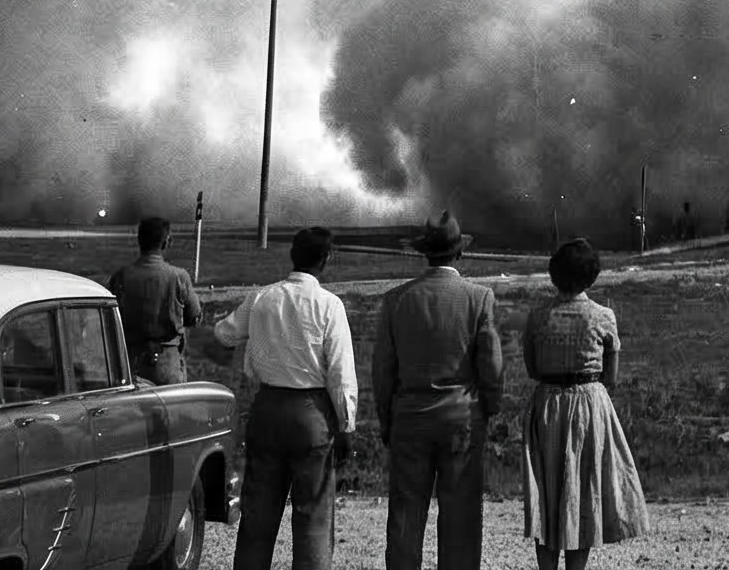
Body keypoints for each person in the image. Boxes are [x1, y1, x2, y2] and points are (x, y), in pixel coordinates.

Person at [214, 225, 358, 570]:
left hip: (267, 409)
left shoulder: (263, 297)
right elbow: (340, 373)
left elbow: (225, 333)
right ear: (326, 260)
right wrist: (346, 425)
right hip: (311, 414)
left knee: (258, 515)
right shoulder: (329, 305)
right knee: (313, 516)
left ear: (292, 256)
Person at [375, 210, 505, 570]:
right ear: (459, 253)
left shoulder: (395, 300)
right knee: (461, 514)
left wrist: (386, 419)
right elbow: (490, 364)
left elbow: (383, 370)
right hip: (461, 417)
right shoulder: (479, 298)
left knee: (405, 512)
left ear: (424, 253)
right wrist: (490, 407)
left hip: (409, 418)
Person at [520, 238, 649, 570]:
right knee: (582, 490)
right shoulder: (603, 317)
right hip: (588, 406)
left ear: (554, 274)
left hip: (548, 404)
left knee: (547, 492)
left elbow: (532, 368)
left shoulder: (538, 316)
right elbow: (612, 376)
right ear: (591, 276)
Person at [107, 214, 203, 385]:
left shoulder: (121, 277)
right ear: (166, 242)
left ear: (139, 240)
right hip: (168, 364)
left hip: (130, 364)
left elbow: (109, 320)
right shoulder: (179, 277)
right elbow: (194, 317)